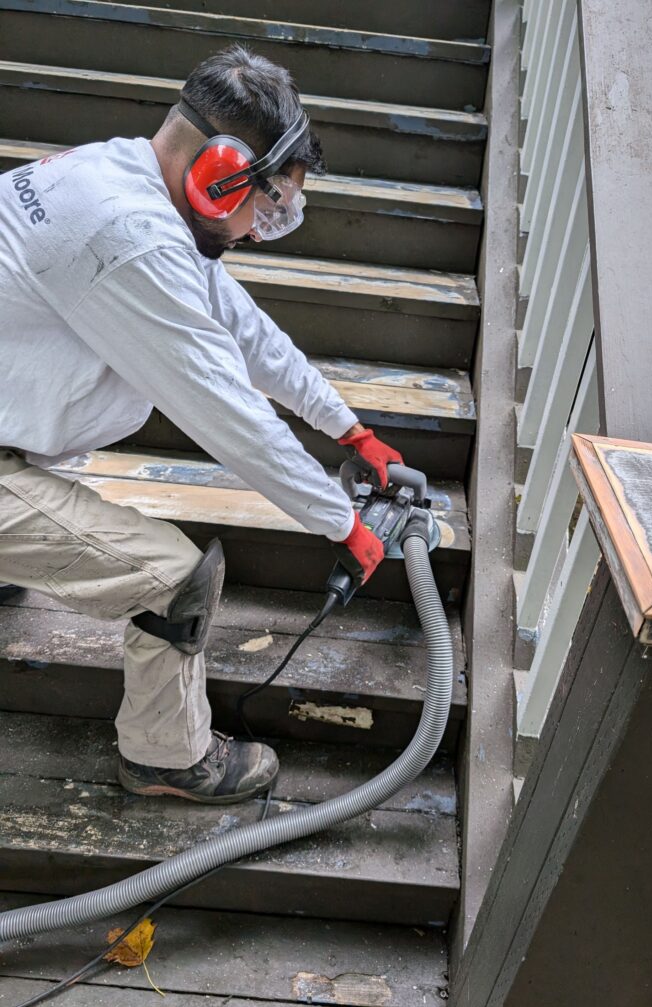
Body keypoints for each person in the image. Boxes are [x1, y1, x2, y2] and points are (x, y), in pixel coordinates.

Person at [0, 44, 404, 805]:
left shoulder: (115, 174)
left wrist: (347, 428)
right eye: (268, 204)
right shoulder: (127, 239)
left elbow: (237, 325)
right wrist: (340, 522)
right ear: (220, 173)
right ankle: (165, 757)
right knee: (178, 580)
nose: (259, 228)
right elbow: (222, 407)